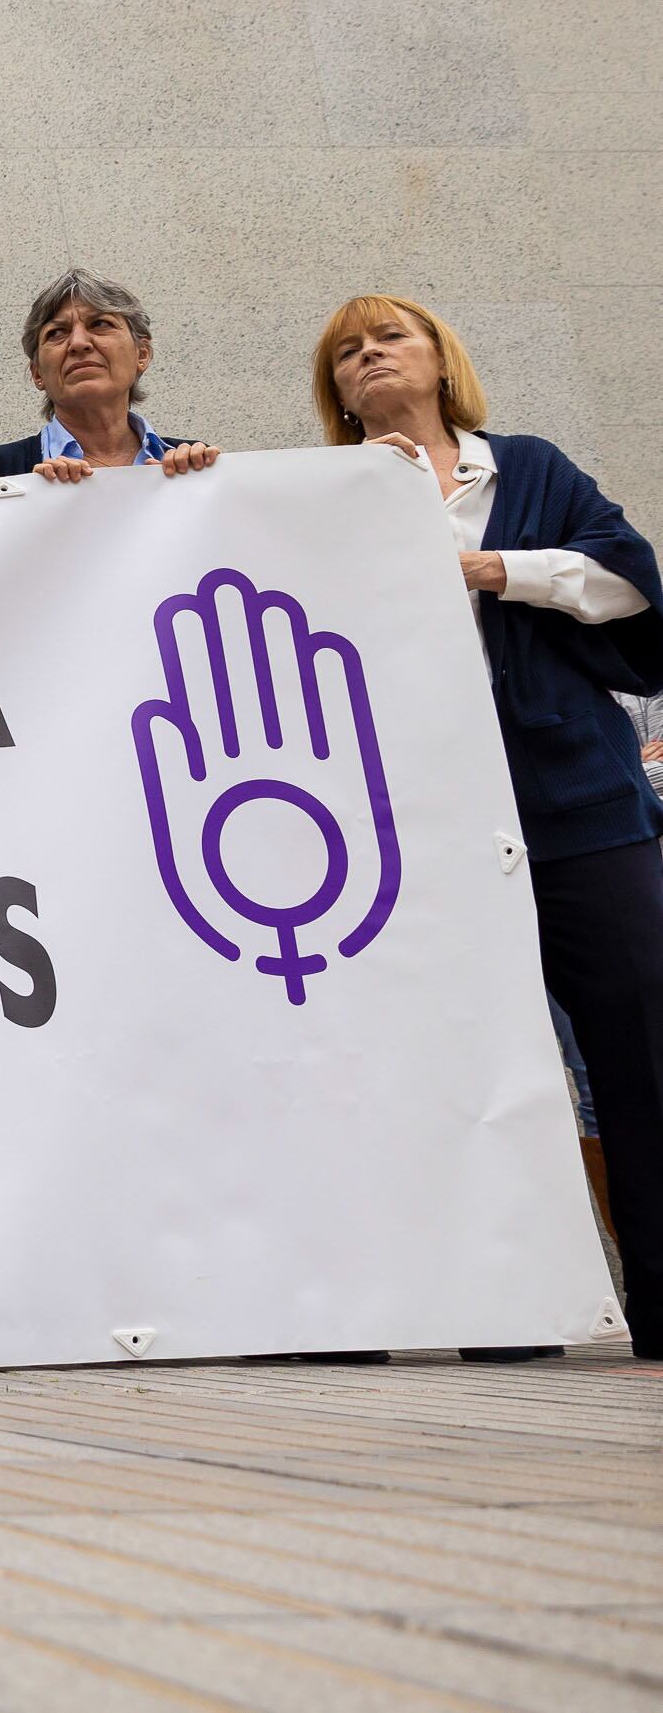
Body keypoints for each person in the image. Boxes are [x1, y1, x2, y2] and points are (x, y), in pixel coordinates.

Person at [319, 292, 663, 1364]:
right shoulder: (324, 496)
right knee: (464, 1060)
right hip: (424, 826)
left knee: (638, 1051)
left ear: (438, 359)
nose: (368, 357)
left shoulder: (527, 471)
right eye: (346, 353)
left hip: (579, 808)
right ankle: (502, 1308)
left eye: (389, 338)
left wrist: (493, 570)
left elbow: (626, 582)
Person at [0, 269, 220, 484]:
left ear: (141, 354)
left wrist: (199, 485)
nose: (78, 343)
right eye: (56, 333)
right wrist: (30, 505)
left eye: (100, 324)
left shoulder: (193, 464)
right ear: (37, 373)